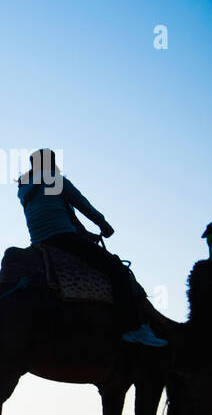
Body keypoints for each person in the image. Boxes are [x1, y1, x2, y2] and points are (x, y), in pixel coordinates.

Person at [17, 148, 164, 347]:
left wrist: (86, 235)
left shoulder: (25, 189)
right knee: (117, 270)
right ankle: (133, 328)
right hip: (62, 237)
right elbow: (81, 204)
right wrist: (104, 225)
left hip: (40, 241)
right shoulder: (55, 180)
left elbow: (62, 213)